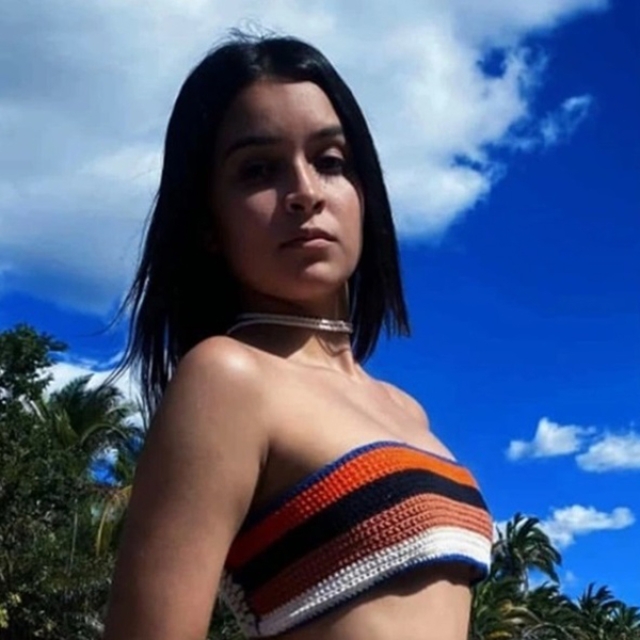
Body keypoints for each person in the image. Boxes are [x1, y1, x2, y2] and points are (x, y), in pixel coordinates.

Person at [103, 32, 493, 640]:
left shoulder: (406, 409)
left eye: (330, 162)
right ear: (208, 222)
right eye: (259, 170)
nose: (306, 192)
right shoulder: (227, 377)